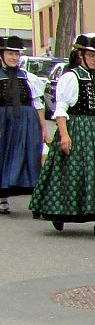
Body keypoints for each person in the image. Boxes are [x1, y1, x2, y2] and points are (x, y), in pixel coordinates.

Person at [29, 35, 95, 237]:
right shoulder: (71, 77)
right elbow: (61, 109)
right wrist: (65, 135)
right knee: (70, 173)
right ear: (81, 55)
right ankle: (58, 212)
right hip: (77, 128)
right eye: (92, 56)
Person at [0, 35, 47, 215]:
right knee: (4, 156)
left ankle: (36, 201)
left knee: (30, 158)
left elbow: (38, 104)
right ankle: (3, 197)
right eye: (10, 54)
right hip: (4, 122)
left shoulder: (28, 77)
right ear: (2, 55)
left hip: (27, 122)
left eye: (16, 54)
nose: (14, 58)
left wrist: (43, 128)